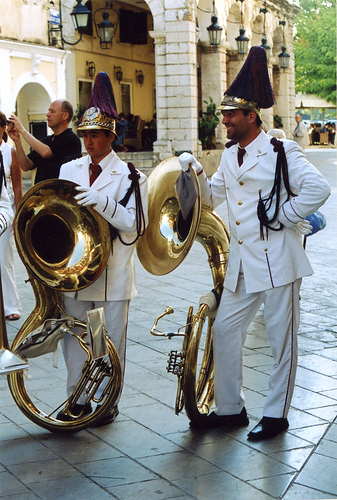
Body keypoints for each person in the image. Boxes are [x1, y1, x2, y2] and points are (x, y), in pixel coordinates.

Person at [178, 46, 331, 441]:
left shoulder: (282, 150)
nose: (224, 120)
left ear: (251, 116)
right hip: (243, 264)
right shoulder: (231, 156)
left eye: (231, 115)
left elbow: (318, 188)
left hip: (279, 259)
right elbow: (211, 198)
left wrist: (284, 216)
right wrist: (190, 174)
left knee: (282, 340)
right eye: (224, 114)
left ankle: (276, 415)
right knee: (225, 330)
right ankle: (231, 409)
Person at [56, 72, 148, 425]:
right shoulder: (70, 167)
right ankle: (76, 400)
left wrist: (101, 204)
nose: (88, 141)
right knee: (75, 338)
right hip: (75, 269)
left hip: (113, 272)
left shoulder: (131, 176)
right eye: (85, 135)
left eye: (95, 135)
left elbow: (134, 225)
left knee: (108, 342)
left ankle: (108, 402)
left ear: (110, 137)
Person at [7, 100, 82, 184]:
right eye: (48, 111)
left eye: (52, 111)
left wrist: (22, 130)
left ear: (65, 116)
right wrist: (17, 141)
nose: (47, 114)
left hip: (60, 194)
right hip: (42, 195)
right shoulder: (46, 141)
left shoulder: (71, 139)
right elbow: (26, 165)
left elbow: (46, 152)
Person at [0, 112, 22, 321]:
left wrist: (18, 214)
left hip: (6, 211)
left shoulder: (10, 152)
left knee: (4, 258)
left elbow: (16, 184)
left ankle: (11, 306)